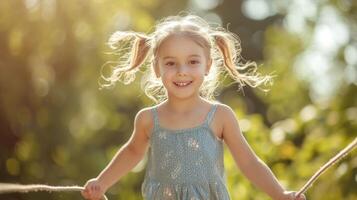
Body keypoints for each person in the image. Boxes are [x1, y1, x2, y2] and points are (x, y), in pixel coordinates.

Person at [81, 14, 306, 200]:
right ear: (157, 68)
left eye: (193, 62)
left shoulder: (220, 116)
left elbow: (248, 162)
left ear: (207, 65)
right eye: (170, 63)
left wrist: (280, 194)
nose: (182, 71)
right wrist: (101, 183)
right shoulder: (148, 119)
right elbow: (132, 152)